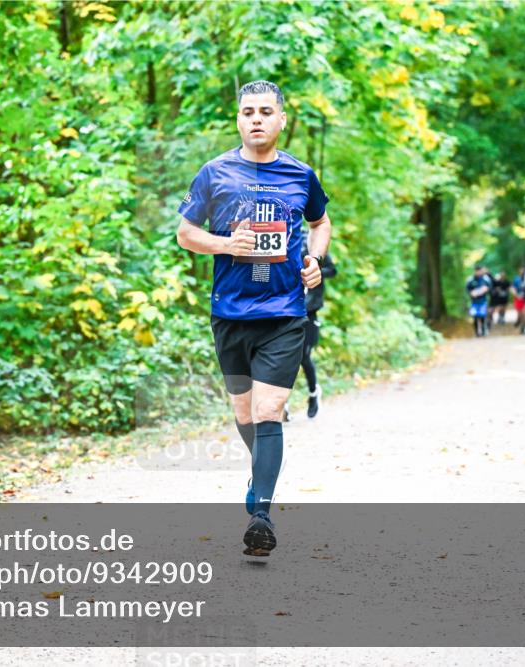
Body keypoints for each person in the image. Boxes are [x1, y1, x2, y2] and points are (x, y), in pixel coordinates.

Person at [175, 80, 331, 557]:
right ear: (238, 120)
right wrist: (225, 245)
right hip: (230, 313)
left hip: (284, 313)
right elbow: (185, 233)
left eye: (266, 111)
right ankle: (260, 470)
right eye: (248, 112)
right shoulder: (215, 173)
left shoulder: (301, 175)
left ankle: (261, 513)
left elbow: (319, 222)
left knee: (268, 412)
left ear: (282, 119)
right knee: (244, 413)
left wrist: (316, 261)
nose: (256, 119)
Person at [298, 230, 337, 418]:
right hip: (287, 309)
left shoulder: (313, 243)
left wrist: (314, 271)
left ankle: (313, 393)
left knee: (304, 356)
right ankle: (281, 404)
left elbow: (332, 270)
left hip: (310, 309)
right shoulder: (280, 242)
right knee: (283, 360)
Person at [466, 265, 490, 337]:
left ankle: (483, 331)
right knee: (475, 317)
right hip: (474, 302)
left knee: (483, 317)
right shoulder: (470, 280)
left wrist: (483, 290)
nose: (478, 272)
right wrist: (472, 293)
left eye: (479, 271)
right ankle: (477, 332)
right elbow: (468, 289)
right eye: (477, 271)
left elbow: (488, 288)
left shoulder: (485, 279)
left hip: (483, 301)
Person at [511, 265, 525, 331]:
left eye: (523, 270)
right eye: (521, 270)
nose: (522, 271)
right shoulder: (516, 279)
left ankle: (523, 326)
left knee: (524, 312)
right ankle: (519, 320)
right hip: (518, 298)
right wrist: (516, 295)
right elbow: (512, 288)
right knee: (519, 312)